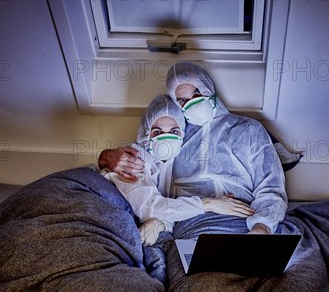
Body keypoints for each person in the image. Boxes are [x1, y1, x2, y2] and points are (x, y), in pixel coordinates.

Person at [99, 61, 288, 235]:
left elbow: (271, 187)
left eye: (196, 94)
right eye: (182, 101)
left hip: (243, 221)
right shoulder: (174, 138)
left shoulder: (248, 129)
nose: (192, 103)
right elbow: (146, 162)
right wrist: (107, 156)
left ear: (208, 88)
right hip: (190, 225)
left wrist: (262, 227)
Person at [102, 94, 254, 245]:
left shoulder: (170, 165)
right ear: (146, 133)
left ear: (182, 134)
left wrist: (160, 224)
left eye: (174, 132)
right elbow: (149, 207)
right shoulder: (134, 158)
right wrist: (208, 204)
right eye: (157, 132)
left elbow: (168, 208)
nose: (166, 139)